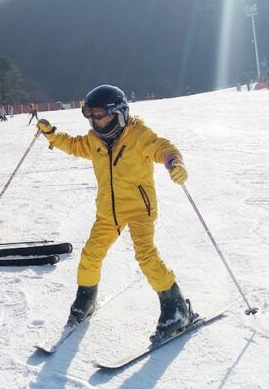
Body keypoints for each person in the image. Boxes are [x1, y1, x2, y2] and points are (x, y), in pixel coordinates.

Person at [36, 84, 193, 341]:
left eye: (101, 115)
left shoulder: (138, 135)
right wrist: (52, 135)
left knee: (146, 256)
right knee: (90, 255)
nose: (96, 121)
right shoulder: (94, 140)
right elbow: (75, 145)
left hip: (139, 209)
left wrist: (173, 162)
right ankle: (85, 300)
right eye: (91, 116)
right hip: (108, 212)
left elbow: (162, 147)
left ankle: (175, 308)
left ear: (119, 113)